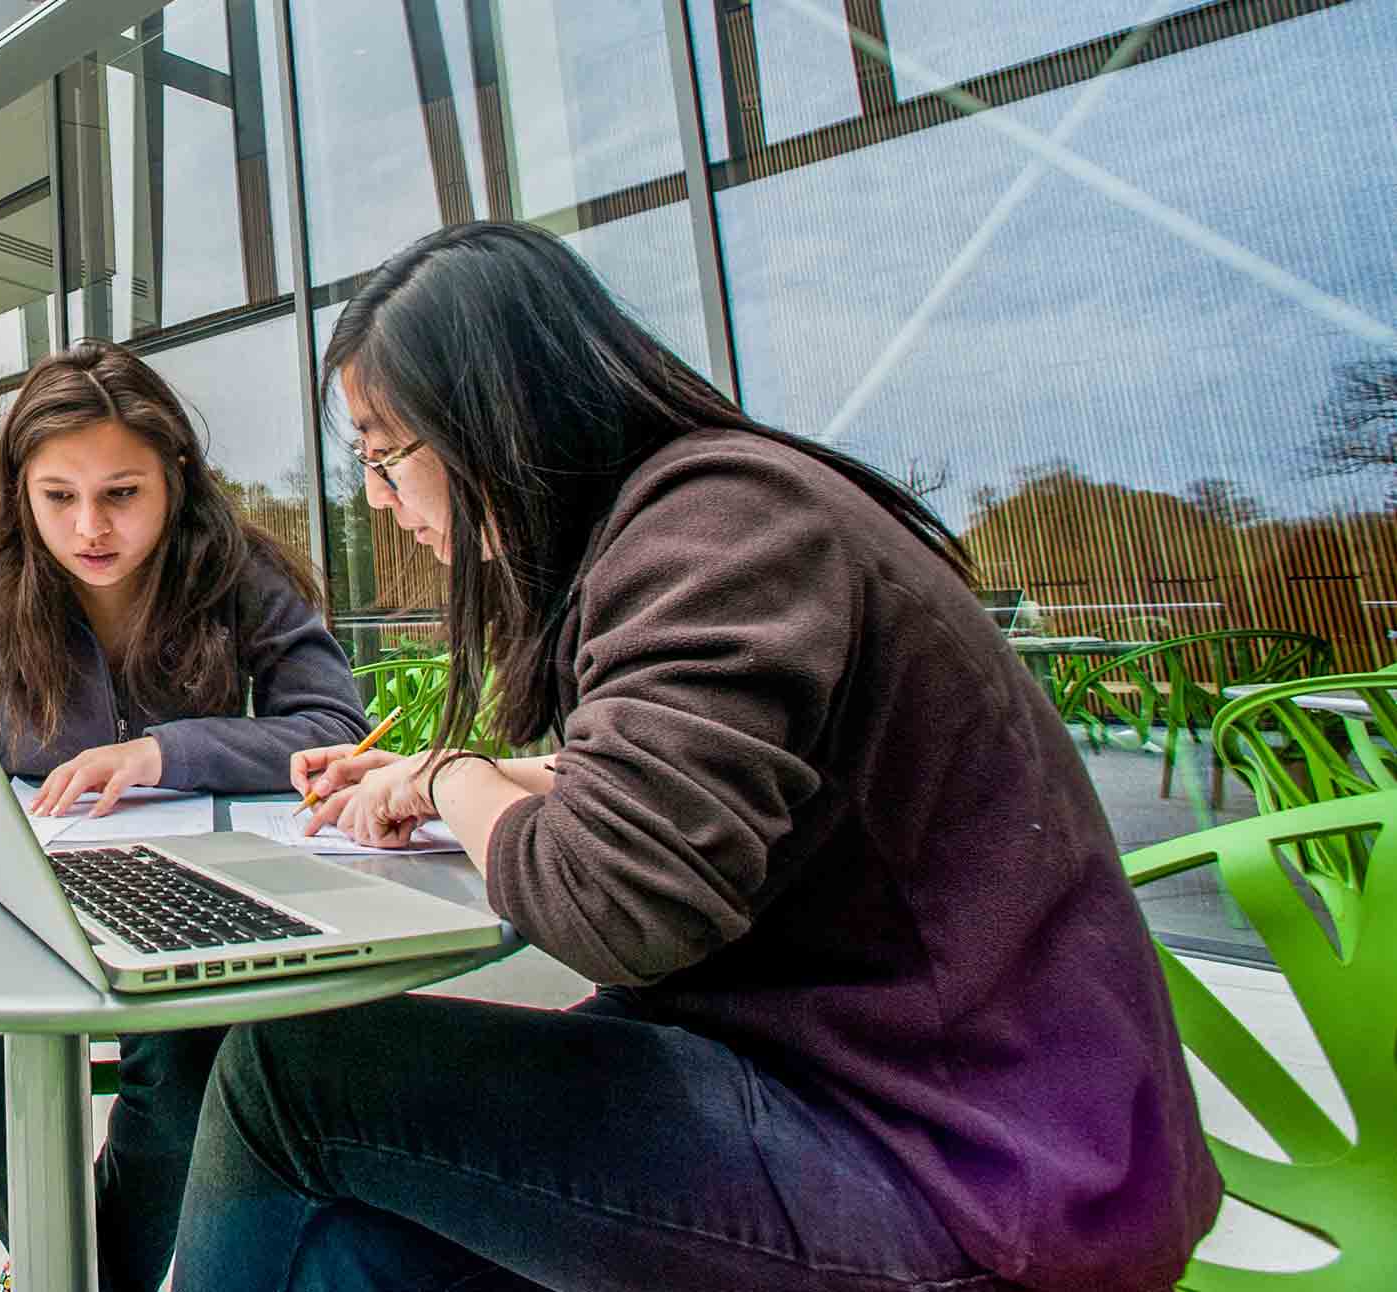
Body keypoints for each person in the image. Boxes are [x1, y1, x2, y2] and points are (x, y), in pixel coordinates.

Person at [171, 222, 1221, 1291]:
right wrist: (489, 779)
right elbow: (717, 787)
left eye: (383, 454)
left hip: (964, 1171)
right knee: (352, 1239)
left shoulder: (724, 526)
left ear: (491, 419)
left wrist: (453, 775)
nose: (381, 500)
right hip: (878, 1097)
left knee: (287, 1079)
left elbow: (613, 904)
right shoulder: (693, 520)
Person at [0, 338, 370, 1291]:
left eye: (122, 494)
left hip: (199, 888)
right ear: (21, 490)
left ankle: (72, 1276)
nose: (90, 527)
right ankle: (78, 1271)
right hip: (29, 882)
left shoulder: (240, 573)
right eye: (59, 497)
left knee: (184, 1066)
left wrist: (164, 753)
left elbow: (330, 726)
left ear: (175, 473)